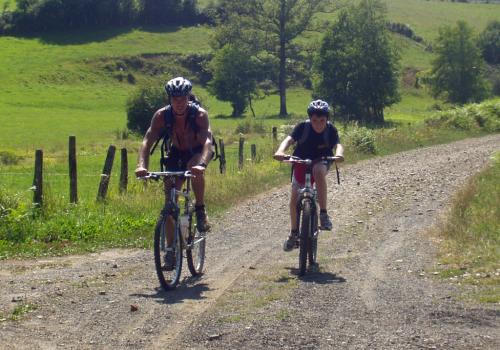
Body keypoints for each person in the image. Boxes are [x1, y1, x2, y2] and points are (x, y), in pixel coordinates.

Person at [135, 77, 213, 267]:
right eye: (174, 99)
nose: (178, 103)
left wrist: (201, 164)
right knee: (169, 203)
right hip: (176, 153)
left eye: (182, 98)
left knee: (194, 170)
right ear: (169, 98)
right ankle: (170, 251)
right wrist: (141, 165)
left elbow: (208, 143)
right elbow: (147, 141)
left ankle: (200, 209)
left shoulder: (199, 115)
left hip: (197, 152)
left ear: (188, 98)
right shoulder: (162, 116)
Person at [274, 99, 344, 252]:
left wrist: (339, 154)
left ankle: (323, 214)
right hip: (301, 161)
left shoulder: (331, 130)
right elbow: (289, 140)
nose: (318, 124)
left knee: (318, 171)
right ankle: (293, 234)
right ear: (309, 119)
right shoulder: (302, 127)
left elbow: (337, 144)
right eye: (314, 120)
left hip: (322, 160)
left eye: (322, 120)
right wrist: (280, 151)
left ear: (327, 119)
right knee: (293, 201)